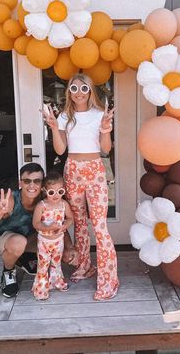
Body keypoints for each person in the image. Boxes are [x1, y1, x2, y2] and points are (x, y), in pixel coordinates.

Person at [43, 73, 119, 301]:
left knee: (99, 225)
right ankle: (84, 266)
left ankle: (108, 280)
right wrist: (54, 128)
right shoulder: (66, 115)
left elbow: (106, 149)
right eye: (73, 88)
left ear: (90, 91)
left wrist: (106, 128)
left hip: (94, 169)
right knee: (78, 223)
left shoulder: (99, 116)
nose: (78, 92)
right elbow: (59, 150)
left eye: (83, 88)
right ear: (69, 92)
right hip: (72, 169)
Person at [0, 162, 78, 298]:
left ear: (43, 185)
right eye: (27, 181)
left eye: (37, 181)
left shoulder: (49, 198)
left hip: (33, 239)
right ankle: (8, 271)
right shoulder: (11, 200)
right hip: (7, 240)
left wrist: (70, 246)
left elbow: (59, 224)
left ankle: (23, 258)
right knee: (18, 243)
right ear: (20, 183)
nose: (32, 185)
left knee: (65, 255)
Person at [32, 171, 73, 300]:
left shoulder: (64, 204)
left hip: (58, 241)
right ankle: (41, 288)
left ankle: (57, 281)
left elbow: (71, 218)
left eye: (60, 192)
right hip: (44, 242)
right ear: (45, 191)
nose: (56, 196)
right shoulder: (42, 206)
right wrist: (48, 227)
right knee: (43, 265)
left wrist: (65, 225)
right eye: (51, 192)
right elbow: (36, 223)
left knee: (56, 263)